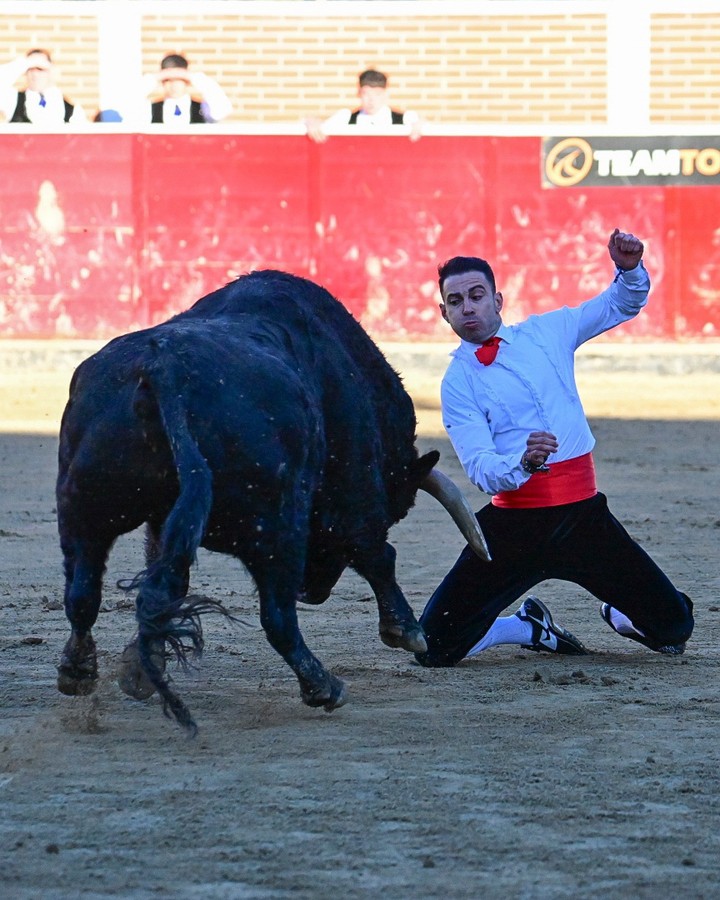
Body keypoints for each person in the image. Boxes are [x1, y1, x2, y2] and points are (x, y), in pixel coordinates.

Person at [415, 229, 694, 667]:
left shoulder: (549, 331)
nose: (467, 307)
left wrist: (629, 270)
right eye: (455, 301)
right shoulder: (457, 383)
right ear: (443, 312)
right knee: (432, 647)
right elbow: (480, 466)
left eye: (476, 296)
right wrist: (522, 462)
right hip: (513, 527)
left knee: (674, 629)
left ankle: (620, 612)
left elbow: (619, 304)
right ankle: (525, 628)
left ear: (497, 300)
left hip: (583, 519)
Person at [305, 69, 421, 143]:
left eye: (377, 94)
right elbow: (318, 128)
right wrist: (311, 123)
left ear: (386, 94)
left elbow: (423, 128)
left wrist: (421, 126)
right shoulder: (345, 118)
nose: (372, 100)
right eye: (367, 93)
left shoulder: (406, 119)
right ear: (359, 93)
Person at [0, 49, 86, 124]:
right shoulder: (13, 99)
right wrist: (25, 63)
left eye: (40, 69)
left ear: (50, 71)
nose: (35, 74)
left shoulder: (72, 109)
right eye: (30, 69)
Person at [144, 53, 232, 125]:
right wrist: (155, 77)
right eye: (168, 80)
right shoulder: (151, 109)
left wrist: (193, 77)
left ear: (186, 81)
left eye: (179, 80)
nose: (174, 85)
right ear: (162, 81)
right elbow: (134, 102)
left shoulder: (201, 108)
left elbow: (223, 109)